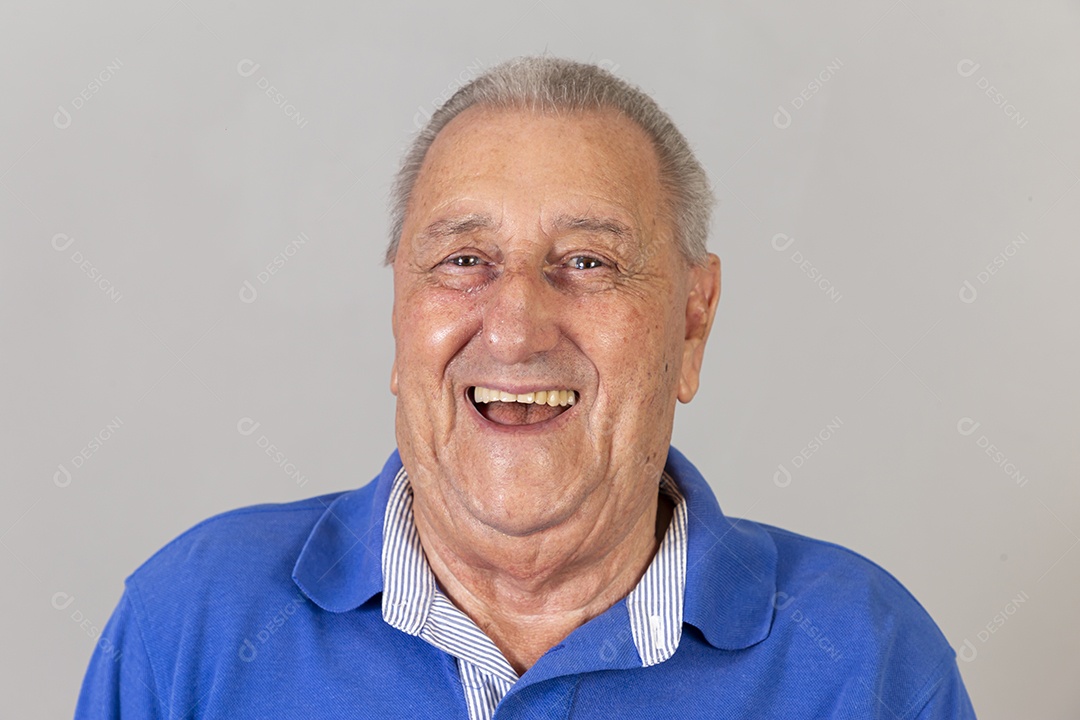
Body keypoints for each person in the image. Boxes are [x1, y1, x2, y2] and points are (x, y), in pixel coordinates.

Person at [75, 56, 977, 719]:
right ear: (399, 313)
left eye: (588, 262)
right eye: (464, 260)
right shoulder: (190, 624)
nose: (514, 328)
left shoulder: (866, 661)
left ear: (692, 321)